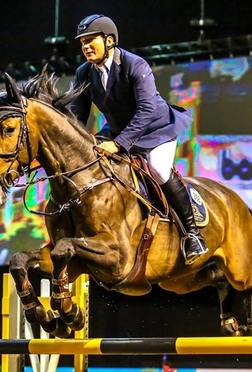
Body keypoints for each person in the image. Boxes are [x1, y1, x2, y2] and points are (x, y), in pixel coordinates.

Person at [70, 14, 208, 265]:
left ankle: (192, 234)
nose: (86, 46)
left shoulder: (135, 65)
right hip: (117, 130)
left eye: (91, 40)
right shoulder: (83, 73)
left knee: (157, 168)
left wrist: (119, 144)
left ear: (109, 40)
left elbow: (145, 110)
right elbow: (78, 112)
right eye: (82, 42)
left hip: (156, 128)